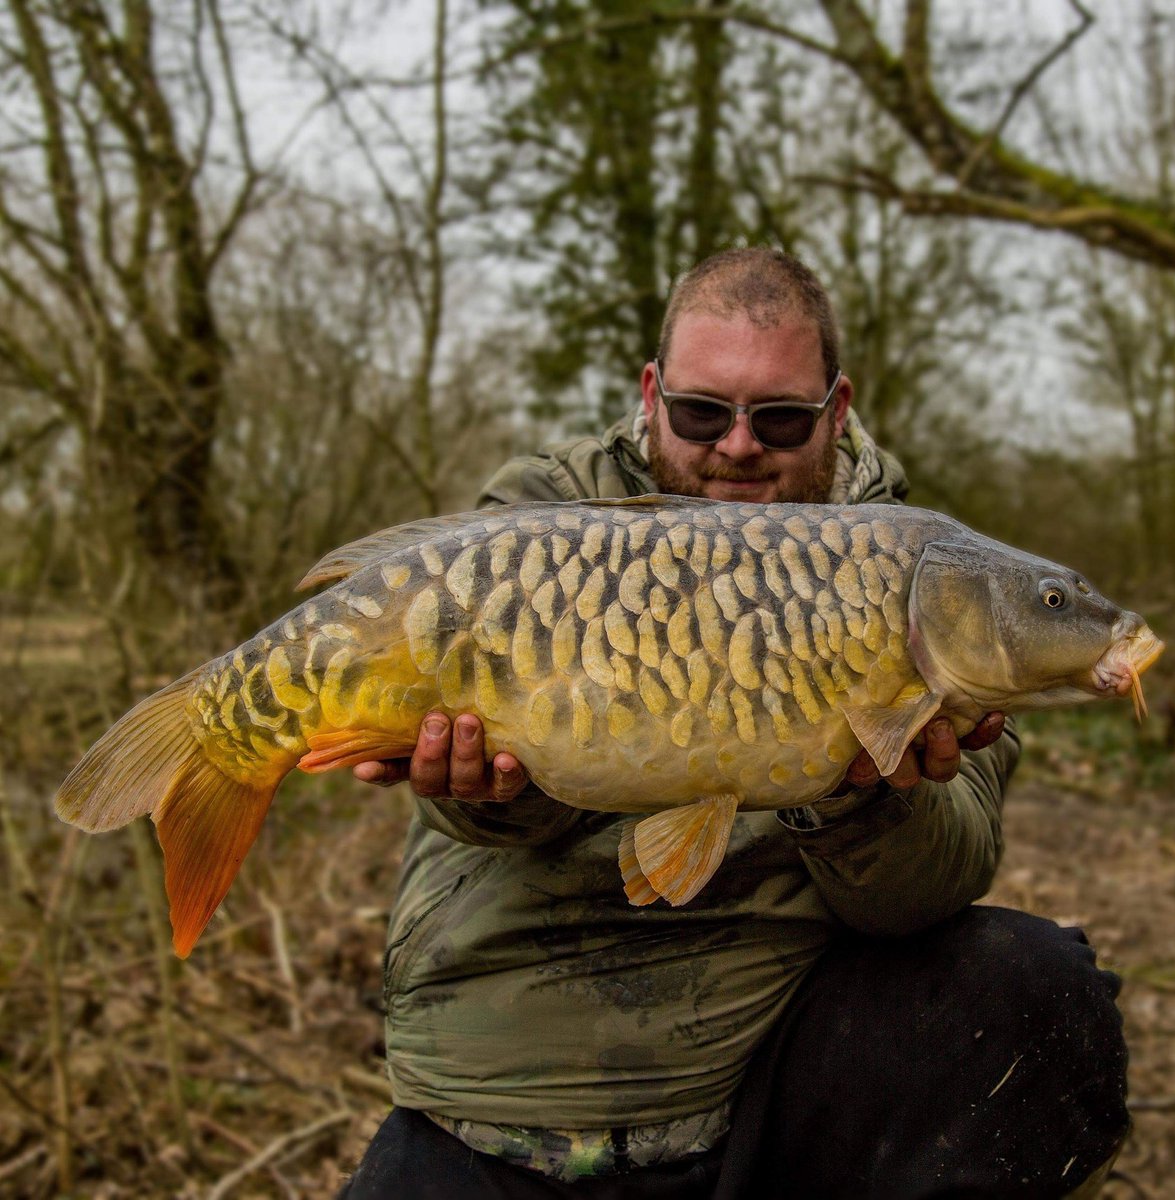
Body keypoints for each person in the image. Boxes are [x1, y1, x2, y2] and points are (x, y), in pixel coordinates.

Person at [340, 249, 1128, 1198]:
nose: (740, 446)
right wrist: (492, 795)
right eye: (702, 413)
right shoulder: (542, 520)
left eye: (781, 418)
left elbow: (940, 880)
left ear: (837, 410)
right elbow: (459, 800)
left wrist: (857, 795)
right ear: (652, 396)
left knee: (1034, 984)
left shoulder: (930, 574)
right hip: (512, 1068)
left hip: (780, 1062)